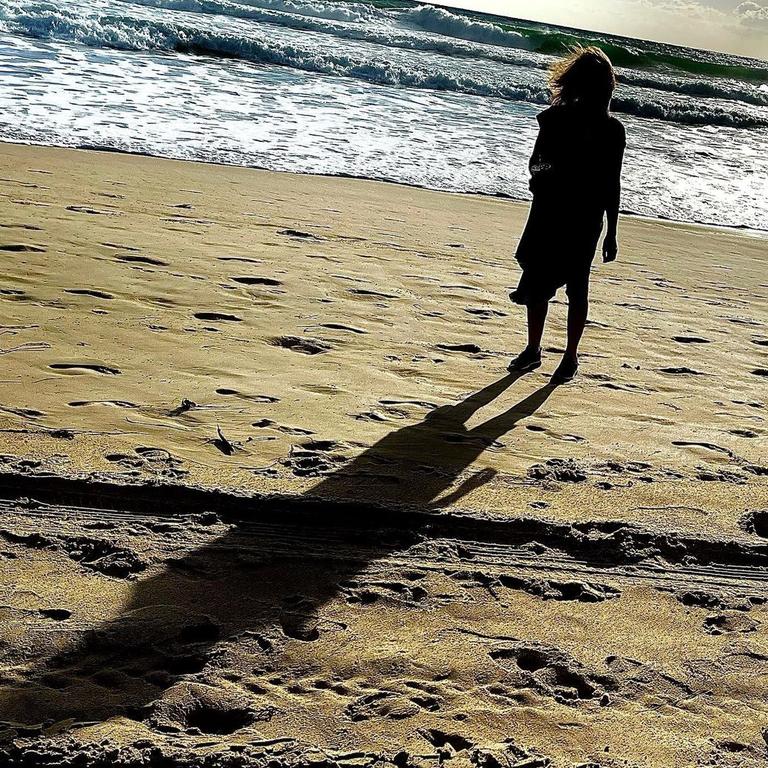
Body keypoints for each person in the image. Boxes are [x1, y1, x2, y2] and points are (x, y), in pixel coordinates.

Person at [508, 45, 626, 382]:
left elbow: (538, 164)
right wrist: (611, 230)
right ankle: (558, 354)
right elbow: (609, 184)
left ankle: (546, 352)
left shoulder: (575, 123)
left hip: (561, 212)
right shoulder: (596, 126)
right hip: (576, 215)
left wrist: (546, 181)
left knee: (545, 281)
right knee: (566, 285)